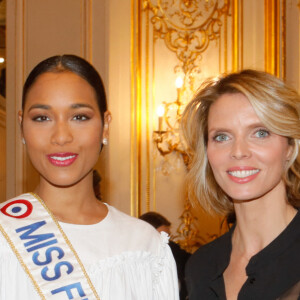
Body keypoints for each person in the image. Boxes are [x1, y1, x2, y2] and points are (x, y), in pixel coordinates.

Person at [0, 55, 179, 300]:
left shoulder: (144, 247)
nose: (61, 136)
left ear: (105, 125)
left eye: (79, 117)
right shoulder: (5, 233)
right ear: (21, 126)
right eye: (42, 118)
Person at [181, 69, 300, 300]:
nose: (238, 152)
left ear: (290, 148)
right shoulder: (200, 266)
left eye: (260, 133)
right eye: (222, 137)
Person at [139, 212, 191, 300]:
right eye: (160, 236)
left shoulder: (174, 250)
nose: (165, 241)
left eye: (167, 237)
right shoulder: (133, 260)